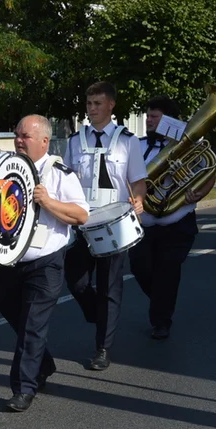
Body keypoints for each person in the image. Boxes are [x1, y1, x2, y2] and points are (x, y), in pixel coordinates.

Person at [0, 116, 89, 413]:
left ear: (44, 141)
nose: (19, 141)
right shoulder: (6, 168)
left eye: (26, 136)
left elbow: (81, 215)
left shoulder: (60, 173)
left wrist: (49, 202)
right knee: (18, 319)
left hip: (45, 262)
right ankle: (43, 363)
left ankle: (23, 388)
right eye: (17, 135)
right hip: (8, 261)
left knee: (32, 325)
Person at [63, 81, 147, 371]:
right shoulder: (75, 141)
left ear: (111, 105)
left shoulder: (128, 140)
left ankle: (102, 347)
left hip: (114, 221)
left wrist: (139, 199)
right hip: (82, 220)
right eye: (89, 104)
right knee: (76, 279)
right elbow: (66, 179)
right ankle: (100, 314)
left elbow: (137, 179)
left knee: (110, 285)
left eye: (98, 104)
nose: (92, 109)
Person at [128, 96, 214, 340]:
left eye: (154, 117)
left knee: (167, 271)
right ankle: (162, 303)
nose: (148, 121)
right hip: (144, 224)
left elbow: (209, 172)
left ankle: (161, 321)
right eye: (147, 117)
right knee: (139, 268)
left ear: (168, 120)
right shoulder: (138, 145)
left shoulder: (192, 146)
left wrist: (198, 193)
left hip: (177, 223)